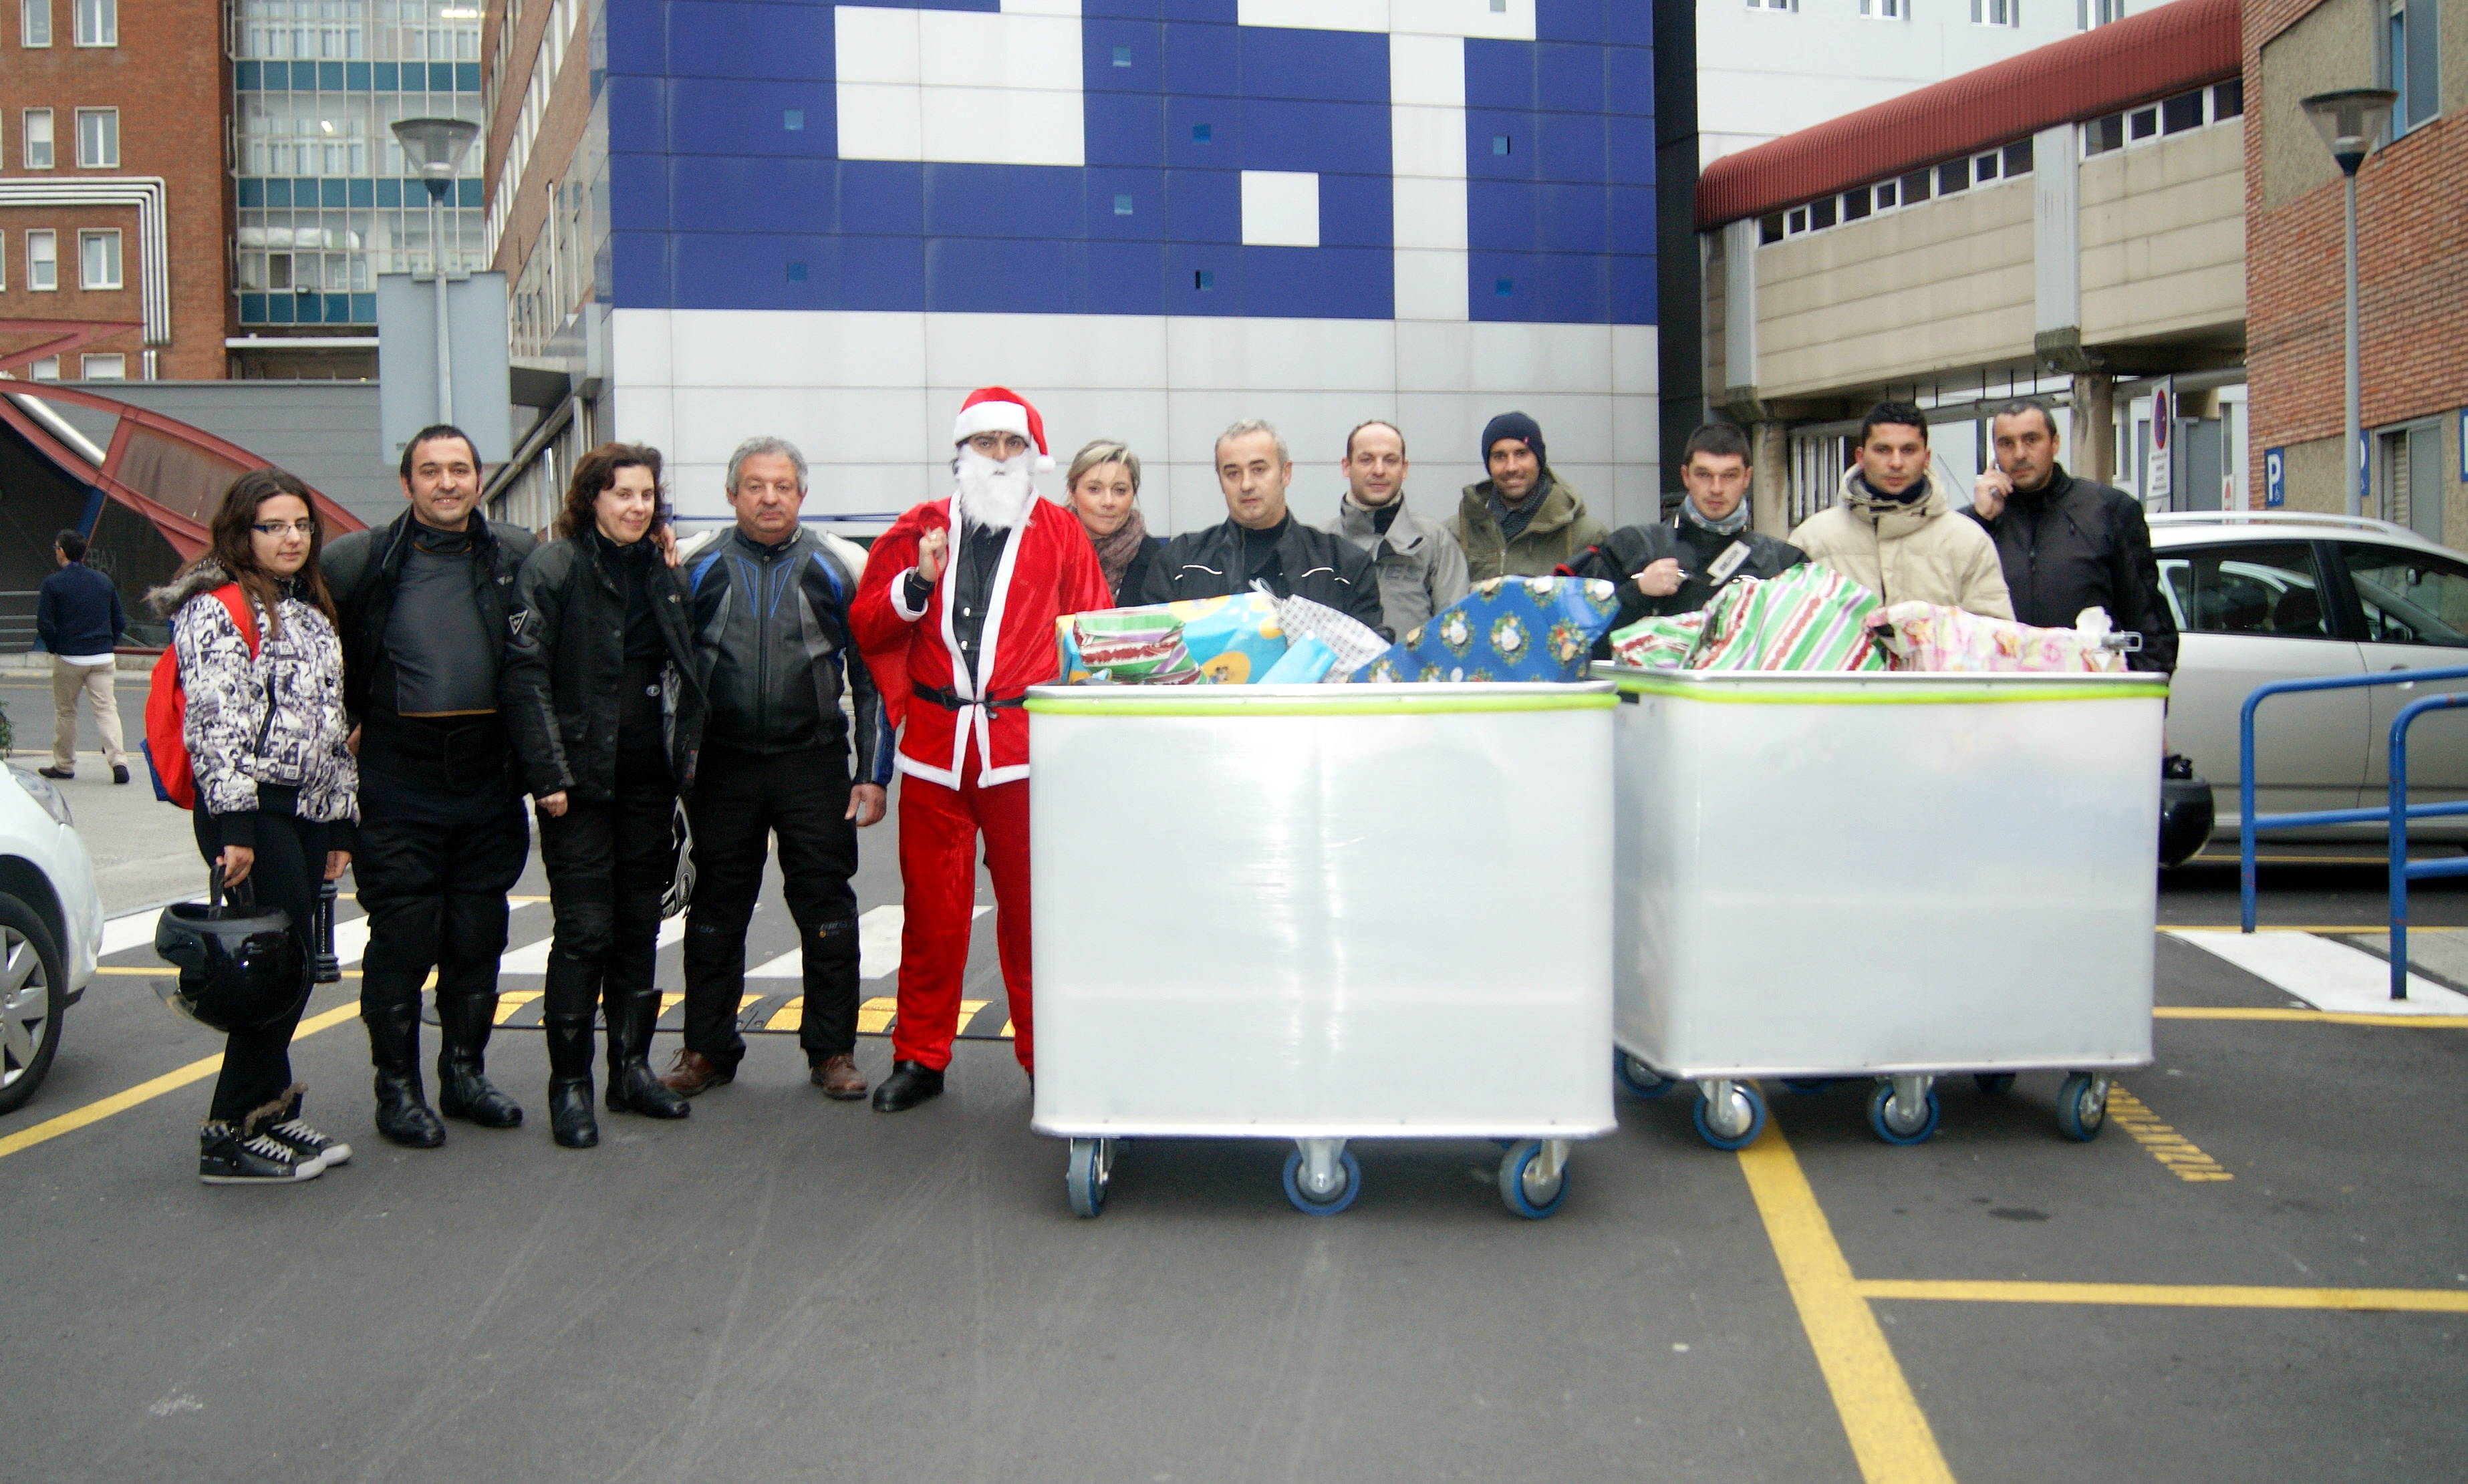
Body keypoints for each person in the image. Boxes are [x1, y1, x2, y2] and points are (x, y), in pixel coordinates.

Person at [852, 388, 1110, 1111]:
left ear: (1031, 455)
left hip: (1025, 753)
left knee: (1031, 918)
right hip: (935, 751)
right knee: (930, 916)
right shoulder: (921, 527)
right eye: (985, 443)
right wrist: (917, 581)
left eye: (1011, 444)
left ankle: (1043, 1057)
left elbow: (1093, 637)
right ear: (961, 451)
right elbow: (868, 624)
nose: (998, 457)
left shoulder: (1061, 533)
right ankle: (919, 1055)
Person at [658, 437, 891, 1103]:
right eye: (755, 486)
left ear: (801, 494)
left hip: (812, 761)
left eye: (782, 486)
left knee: (827, 909)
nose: (769, 498)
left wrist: (873, 772)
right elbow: (664, 668)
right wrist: (673, 770)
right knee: (715, 909)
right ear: (731, 494)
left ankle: (832, 1050)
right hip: (721, 765)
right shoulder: (694, 563)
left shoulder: (840, 563)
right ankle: (706, 1048)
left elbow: (872, 675)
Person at [323, 424, 535, 1149]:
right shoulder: (358, 559)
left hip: (486, 778)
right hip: (397, 777)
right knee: (404, 938)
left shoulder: (516, 554)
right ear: (406, 482)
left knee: (478, 936)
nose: (447, 482)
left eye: (460, 469)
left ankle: (465, 1075)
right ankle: (398, 1090)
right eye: (431, 470)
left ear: (480, 477)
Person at [150, 469, 356, 1183]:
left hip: (305, 810)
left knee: (292, 969)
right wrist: (235, 826)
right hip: (249, 811)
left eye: (301, 524)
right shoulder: (217, 607)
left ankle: (269, 1109)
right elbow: (215, 720)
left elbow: (330, 725)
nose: (291, 537)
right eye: (274, 526)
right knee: (275, 969)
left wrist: (338, 827)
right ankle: (228, 1130)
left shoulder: (310, 607)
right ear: (243, 533)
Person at [501, 444, 700, 1147]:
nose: (637, 506)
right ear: (592, 500)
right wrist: (548, 773)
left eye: (647, 495)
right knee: (584, 932)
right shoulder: (553, 567)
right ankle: (570, 1087)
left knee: (639, 928)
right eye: (623, 494)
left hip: (648, 782)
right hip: (579, 785)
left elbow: (684, 671)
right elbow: (524, 672)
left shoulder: (663, 569)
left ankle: (630, 1071)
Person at [1967, 399, 2178, 671]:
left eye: (2031, 439)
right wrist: (1980, 520)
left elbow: (2148, 618)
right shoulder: (1974, 525)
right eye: (2006, 443)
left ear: (2055, 443)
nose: (2019, 453)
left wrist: (2143, 688)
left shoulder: (2108, 510)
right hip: (2002, 688)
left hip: (2090, 687)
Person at [1564, 422, 1806, 649]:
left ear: (1747, 478)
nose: (1716, 488)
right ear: (1685, 476)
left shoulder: (1786, 563)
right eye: (1704, 474)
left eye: (1729, 476)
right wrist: (1637, 591)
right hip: (1647, 683)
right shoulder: (1630, 546)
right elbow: (1574, 641)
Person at [1141, 418, 1389, 637]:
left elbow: (1368, 660)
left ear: (1285, 473)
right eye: (1232, 473)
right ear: (1221, 481)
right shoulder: (1179, 564)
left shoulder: (1344, 566)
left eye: (1258, 470)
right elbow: (1151, 654)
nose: (1246, 484)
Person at [1788, 402, 2013, 617]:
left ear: (1926, 458)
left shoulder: (1968, 541)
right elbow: (1785, 626)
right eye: (1883, 450)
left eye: (1908, 450)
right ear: (1861, 457)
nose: (1896, 463)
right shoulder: (1813, 539)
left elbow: (1996, 635)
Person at [1317, 420, 1468, 633]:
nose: (1379, 470)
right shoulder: (1319, 544)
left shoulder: (1436, 542)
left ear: (1404, 469)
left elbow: (1456, 632)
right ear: (1346, 466)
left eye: (1390, 460)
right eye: (1367, 460)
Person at [1450, 412, 1609, 582]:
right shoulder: (1455, 534)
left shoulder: (1586, 535)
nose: (1511, 467)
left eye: (1521, 454)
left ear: (1539, 460)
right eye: (1499, 456)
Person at [37, 527, 129, 784]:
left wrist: (56, 647)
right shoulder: (103, 581)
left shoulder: (53, 583)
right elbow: (119, 620)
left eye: (56, 548)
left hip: (70, 656)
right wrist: (108, 643)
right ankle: (118, 761)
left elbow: (45, 624)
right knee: (107, 709)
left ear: (62, 552)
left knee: (66, 712)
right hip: (102, 656)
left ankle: (64, 765)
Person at [1064, 439, 1161, 605]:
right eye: (1094, 489)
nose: (1108, 502)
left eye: (1120, 490)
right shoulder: (1049, 553)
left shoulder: (1155, 560)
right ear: (1072, 495)